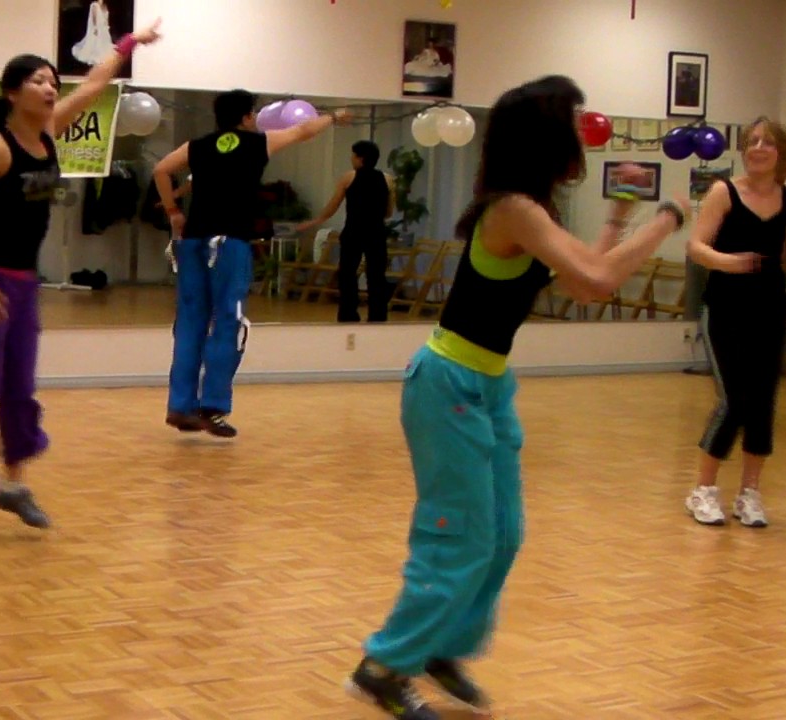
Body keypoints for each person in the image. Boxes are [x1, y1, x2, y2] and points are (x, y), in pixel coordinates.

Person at [345, 75, 691, 720]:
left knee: (502, 534)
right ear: (546, 136)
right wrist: (667, 219)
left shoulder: (532, 211)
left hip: (488, 384)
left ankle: (441, 643)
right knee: (457, 536)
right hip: (447, 383)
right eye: (573, 122)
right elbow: (596, 281)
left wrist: (619, 218)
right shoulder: (511, 208)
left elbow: (580, 273)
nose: (582, 134)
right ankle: (383, 665)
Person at [0, 21, 164, 542]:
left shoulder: (49, 132)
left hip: (22, 284)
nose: (49, 88)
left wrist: (129, 44)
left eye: (51, 81)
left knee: (20, 388)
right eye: (38, 81)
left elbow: (94, 84)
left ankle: (12, 484)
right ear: (12, 93)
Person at [153, 93, 352, 438]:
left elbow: (161, 170)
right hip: (230, 244)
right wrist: (334, 117)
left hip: (194, 242)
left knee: (189, 324)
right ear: (247, 117)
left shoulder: (197, 146)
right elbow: (304, 130)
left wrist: (173, 211)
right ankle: (212, 406)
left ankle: (181, 406)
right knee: (228, 322)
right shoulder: (259, 142)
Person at [683, 119, 786, 528]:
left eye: (768, 142)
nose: (759, 147)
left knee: (762, 402)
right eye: (752, 141)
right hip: (725, 310)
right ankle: (703, 490)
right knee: (734, 401)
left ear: (781, 153)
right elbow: (696, 247)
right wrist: (729, 262)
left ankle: (750, 493)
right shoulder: (723, 192)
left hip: (770, 310)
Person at [298, 139, 395, 323]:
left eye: (353, 155)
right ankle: (378, 316)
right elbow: (388, 212)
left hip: (354, 231)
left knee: (348, 274)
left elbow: (333, 205)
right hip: (376, 232)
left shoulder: (348, 177)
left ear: (360, 158)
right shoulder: (388, 179)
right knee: (376, 275)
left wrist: (315, 221)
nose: (351, 158)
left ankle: (348, 314)